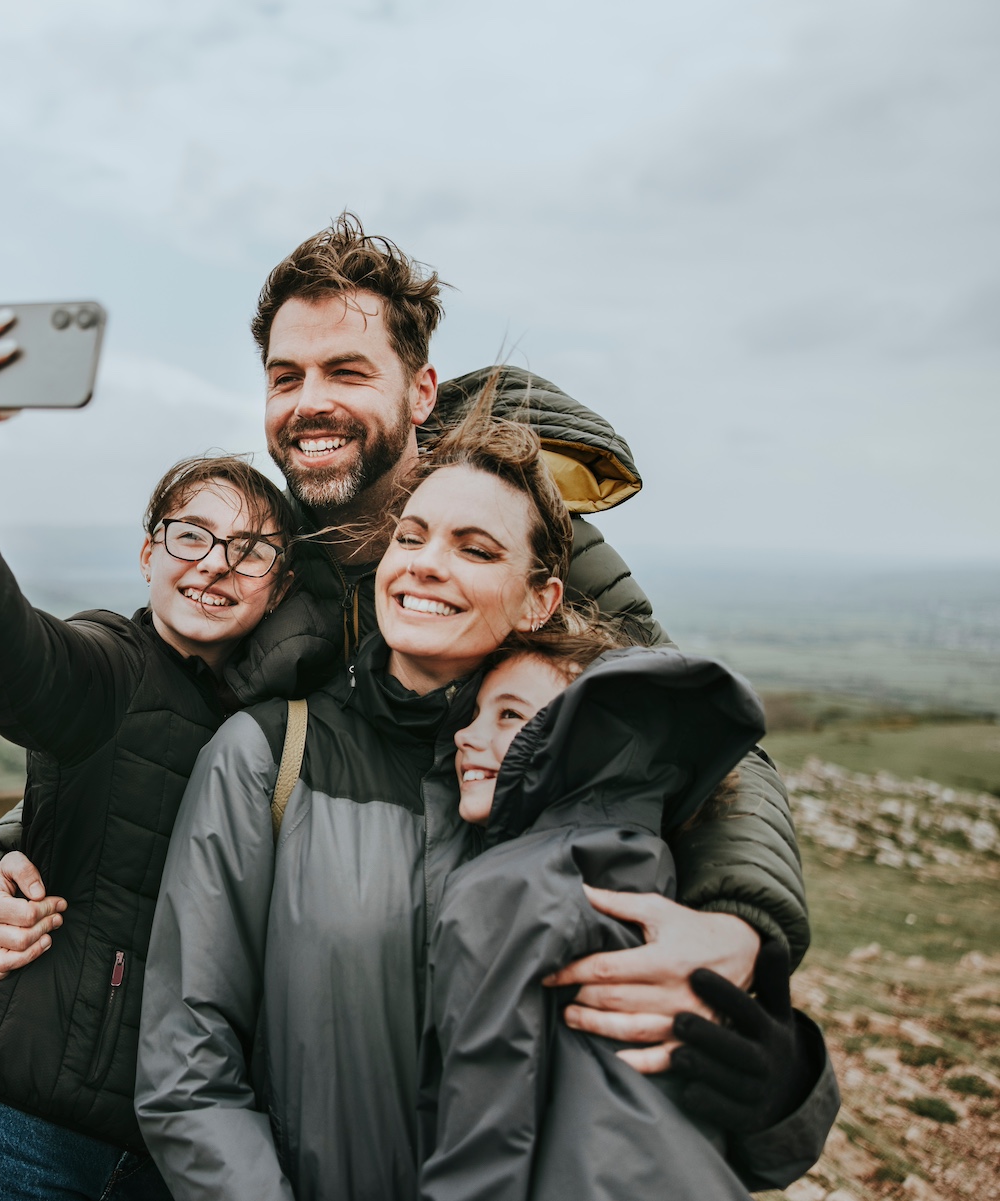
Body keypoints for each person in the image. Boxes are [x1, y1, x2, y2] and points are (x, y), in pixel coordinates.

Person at [0, 213, 810, 1073]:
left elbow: (711, 747)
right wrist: (8, 851)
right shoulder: (273, 555)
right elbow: (149, 706)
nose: (310, 403)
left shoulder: (520, 531)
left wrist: (740, 927)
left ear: (419, 392)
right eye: (285, 375)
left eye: (347, 370)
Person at [134, 403, 835, 1199]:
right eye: (412, 536)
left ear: (539, 598)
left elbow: (669, 1109)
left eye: (474, 548)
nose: (427, 564)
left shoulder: (595, 791)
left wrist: (781, 1093)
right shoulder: (267, 756)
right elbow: (187, 1068)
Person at [0, 291, 334, 1200]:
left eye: (250, 551)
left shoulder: (289, 720)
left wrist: (0, 843)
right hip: (27, 1137)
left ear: (280, 589)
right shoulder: (109, 665)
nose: (214, 563)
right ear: (147, 555)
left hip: (184, 1155)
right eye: (191, 535)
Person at [417, 631, 841, 1200]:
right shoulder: (652, 866)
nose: (465, 736)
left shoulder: (509, 886)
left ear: (587, 740)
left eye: (510, 715)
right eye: (473, 714)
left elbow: (483, 1142)